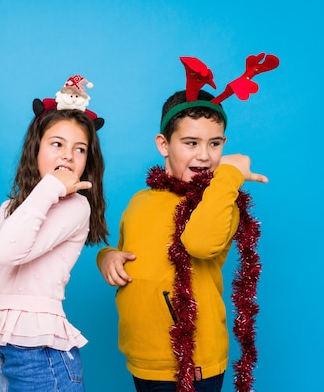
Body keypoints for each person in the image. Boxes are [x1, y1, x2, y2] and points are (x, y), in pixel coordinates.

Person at [97, 55, 278, 392]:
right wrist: (106, 257)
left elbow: (199, 243)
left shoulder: (219, 200)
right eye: (191, 143)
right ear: (163, 144)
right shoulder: (140, 201)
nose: (205, 156)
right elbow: (125, 251)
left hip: (194, 364)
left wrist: (227, 180)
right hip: (143, 358)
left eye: (215, 144)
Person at [0, 75, 108, 392]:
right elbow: (1, 272)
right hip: (10, 354)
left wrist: (52, 187)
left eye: (80, 149)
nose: (68, 156)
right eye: (57, 144)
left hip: (44, 360)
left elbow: (8, 252)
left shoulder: (75, 207)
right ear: (36, 149)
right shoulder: (10, 209)